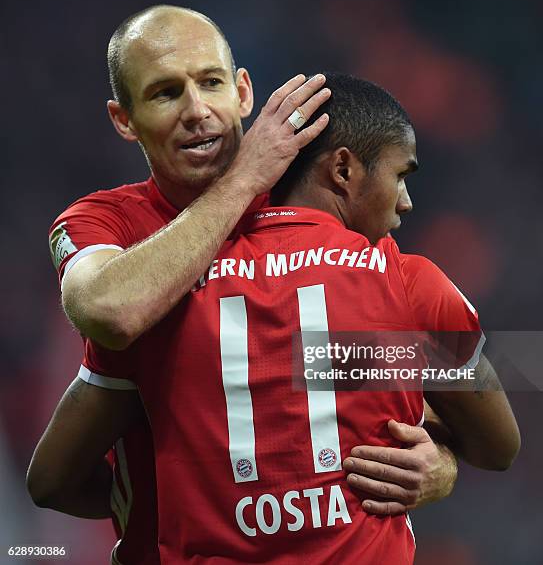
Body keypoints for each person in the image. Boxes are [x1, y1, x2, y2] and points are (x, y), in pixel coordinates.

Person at [29, 72, 519, 564]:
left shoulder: (167, 295)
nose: (407, 201)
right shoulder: (404, 282)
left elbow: (52, 480)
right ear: (343, 170)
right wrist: (442, 459)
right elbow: (498, 446)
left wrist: (182, 490)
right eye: (401, 176)